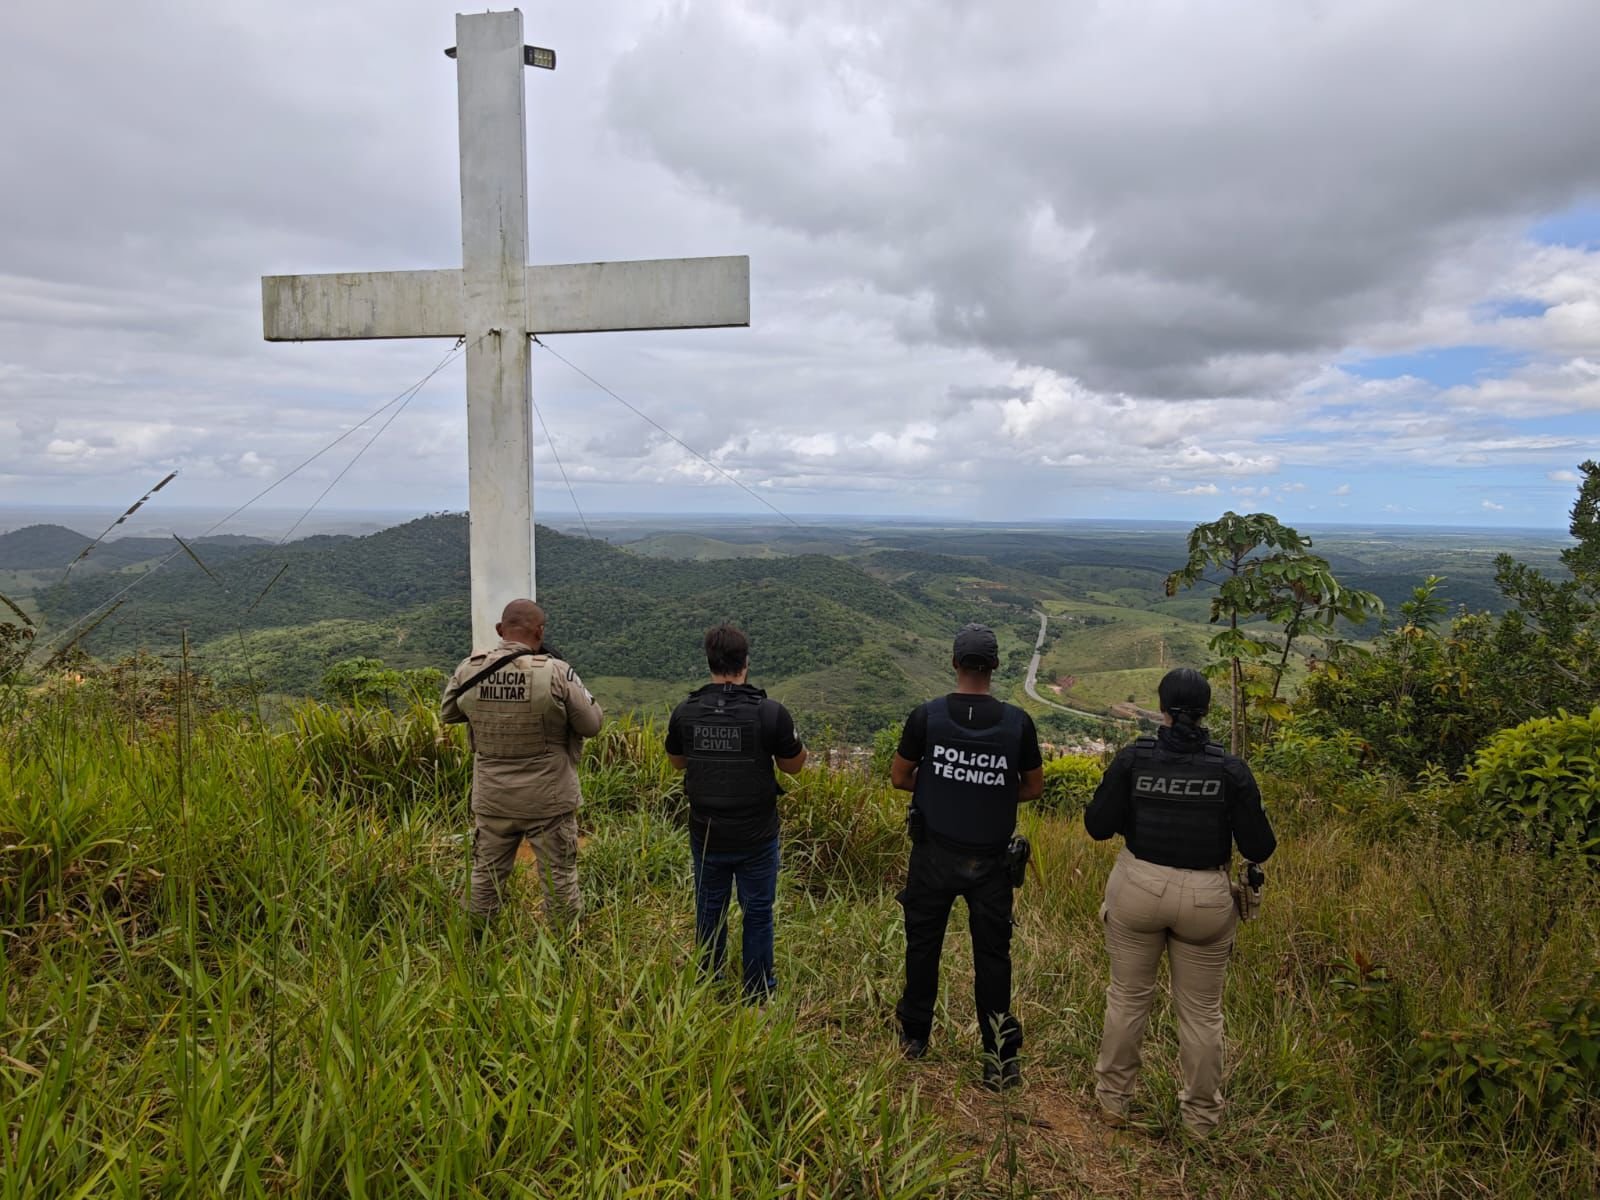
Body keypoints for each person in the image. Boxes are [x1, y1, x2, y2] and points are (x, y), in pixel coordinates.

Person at [1084, 667, 1276, 1136]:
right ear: (1207, 710)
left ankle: (1113, 1103)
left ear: (1163, 709)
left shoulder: (1135, 760)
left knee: (1128, 999)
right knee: (1202, 1012)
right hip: (1206, 898)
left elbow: (1097, 825)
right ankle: (1201, 1121)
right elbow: (1259, 846)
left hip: (1138, 886)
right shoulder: (1229, 769)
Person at [890, 622, 1044, 1090]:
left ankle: (914, 1039)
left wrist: (943, 783)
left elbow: (899, 777)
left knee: (922, 947)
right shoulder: (1018, 723)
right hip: (992, 863)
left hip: (934, 854)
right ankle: (999, 1062)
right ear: (994, 667)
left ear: (954, 663)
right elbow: (1033, 787)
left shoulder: (927, 717)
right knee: (994, 959)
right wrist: (989, 788)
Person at [440, 599, 604, 930]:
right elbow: (592, 724)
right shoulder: (556, 672)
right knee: (558, 877)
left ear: (501, 630)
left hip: (493, 797)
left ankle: (474, 945)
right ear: (540, 632)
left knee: (485, 875)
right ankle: (563, 950)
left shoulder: (470, 669)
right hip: (549, 798)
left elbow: (449, 713)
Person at [666, 623, 806, 1001]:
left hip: (706, 832)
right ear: (746, 663)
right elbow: (793, 766)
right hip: (757, 835)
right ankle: (758, 994)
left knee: (709, 910)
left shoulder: (686, 711)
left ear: (709, 662)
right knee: (757, 912)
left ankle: (709, 988)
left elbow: (677, 762)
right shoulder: (771, 713)